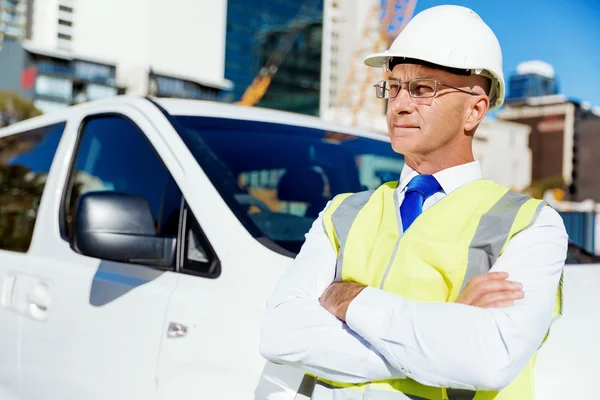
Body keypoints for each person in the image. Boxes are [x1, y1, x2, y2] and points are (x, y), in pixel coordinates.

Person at [259, 4, 568, 400]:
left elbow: (490, 358)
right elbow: (280, 335)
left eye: (423, 89)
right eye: (393, 86)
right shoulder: (342, 213)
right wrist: (448, 327)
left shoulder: (529, 225)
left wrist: (348, 297)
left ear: (475, 109)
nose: (399, 104)